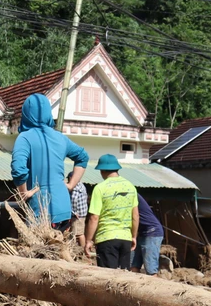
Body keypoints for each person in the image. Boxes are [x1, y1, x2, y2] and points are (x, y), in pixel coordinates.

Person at [10, 93, 89, 231]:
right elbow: (83, 157)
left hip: (40, 210)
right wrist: (70, 185)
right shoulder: (60, 137)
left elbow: (18, 168)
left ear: (26, 114)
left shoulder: (24, 138)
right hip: (64, 209)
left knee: (37, 251)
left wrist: (23, 193)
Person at [85, 155, 138, 270]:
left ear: (102, 170)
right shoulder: (130, 187)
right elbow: (135, 215)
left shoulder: (100, 188)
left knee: (108, 280)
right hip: (125, 239)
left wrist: (88, 240)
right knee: (123, 279)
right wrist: (133, 236)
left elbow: (94, 217)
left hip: (106, 238)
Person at [130, 194, 164, 275]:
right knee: (133, 266)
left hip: (152, 232)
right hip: (141, 233)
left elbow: (135, 216)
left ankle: (154, 286)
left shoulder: (131, 194)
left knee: (150, 269)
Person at [69, 177, 88, 248]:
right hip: (83, 213)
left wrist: (74, 212)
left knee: (77, 233)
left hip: (77, 215)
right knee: (80, 232)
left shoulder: (76, 189)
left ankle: (78, 250)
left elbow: (74, 201)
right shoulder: (82, 185)